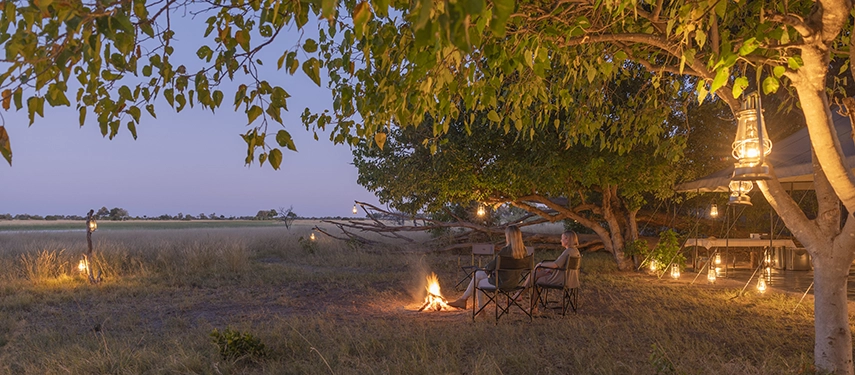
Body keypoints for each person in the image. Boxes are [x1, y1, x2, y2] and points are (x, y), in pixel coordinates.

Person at [448, 225, 528, 309]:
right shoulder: (524, 251)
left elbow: (492, 265)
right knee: (478, 274)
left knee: (479, 283)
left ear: (508, 236)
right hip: (513, 283)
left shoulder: (505, 251)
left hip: (500, 283)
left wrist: (486, 268)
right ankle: (463, 299)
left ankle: (480, 310)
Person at [529, 230, 581, 310]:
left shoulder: (568, 252)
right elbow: (562, 265)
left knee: (536, 280)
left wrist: (540, 264)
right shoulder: (576, 251)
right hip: (571, 280)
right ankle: (520, 294)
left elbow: (555, 265)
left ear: (567, 239)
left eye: (562, 238)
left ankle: (532, 307)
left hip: (560, 280)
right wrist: (549, 269)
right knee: (535, 274)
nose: (561, 240)